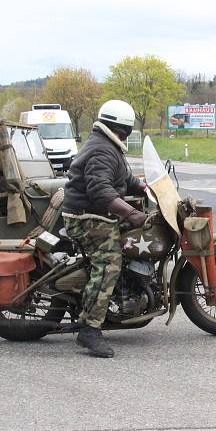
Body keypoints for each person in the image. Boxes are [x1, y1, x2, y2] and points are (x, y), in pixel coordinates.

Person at [62, 100, 147, 358]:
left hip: (92, 213)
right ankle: (89, 329)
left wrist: (143, 187)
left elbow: (120, 178)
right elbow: (101, 191)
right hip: (87, 217)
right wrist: (133, 214)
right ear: (124, 129)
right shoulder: (102, 150)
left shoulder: (106, 145)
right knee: (110, 260)